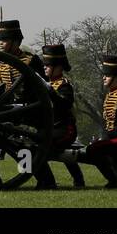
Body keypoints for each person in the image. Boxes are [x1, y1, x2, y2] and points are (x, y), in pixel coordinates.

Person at [80, 55, 117, 189]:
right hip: (112, 137)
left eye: (107, 75)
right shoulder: (109, 96)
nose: (104, 78)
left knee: (94, 149)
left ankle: (113, 179)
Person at [34, 43, 85, 189]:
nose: (45, 67)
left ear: (58, 67)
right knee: (30, 147)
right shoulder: (45, 85)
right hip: (49, 128)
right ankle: (42, 180)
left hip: (64, 129)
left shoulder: (64, 86)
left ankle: (49, 182)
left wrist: (50, 91)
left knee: (42, 148)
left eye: (48, 65)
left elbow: (64, 105)